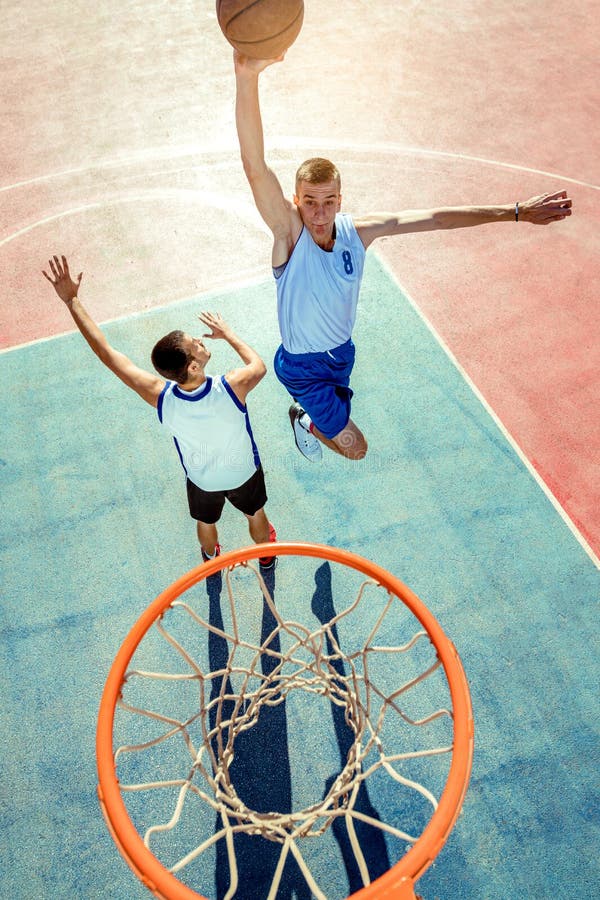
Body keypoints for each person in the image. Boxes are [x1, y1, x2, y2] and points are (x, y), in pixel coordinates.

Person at [233, 53, 573, 463]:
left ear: (341, 200)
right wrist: (246, 75)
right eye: (309, 202)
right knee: (356, 450)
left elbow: (435, 219)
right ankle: (302, 418)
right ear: (296, 200)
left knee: (345, 428)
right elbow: (254, 166)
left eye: (328, 201)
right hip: (302, 368)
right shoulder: (289, 233)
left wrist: (514, 211)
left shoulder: (356, 233)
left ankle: (313, 419)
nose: (319, 213)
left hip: (342, 355)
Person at [43, 255, 276, 566]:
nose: (200, 340)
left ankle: (210, 555)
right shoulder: (232, 386)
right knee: (256, 513)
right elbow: (258, 365)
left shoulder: (162, 398)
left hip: (202, 480)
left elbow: (109, 355)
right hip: (242, 471)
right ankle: (266, 554)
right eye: (195, 343)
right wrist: (228, 333)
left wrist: (71, 300)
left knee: (206, 523)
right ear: (194, 365)